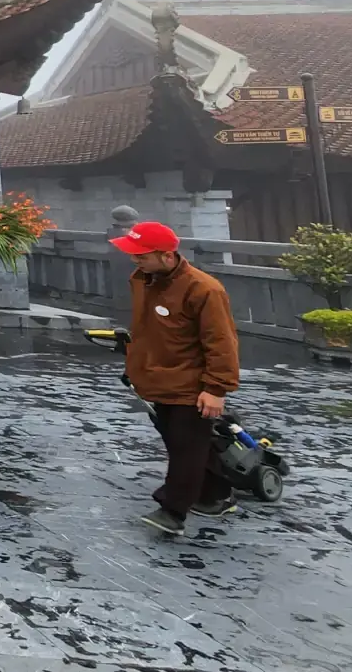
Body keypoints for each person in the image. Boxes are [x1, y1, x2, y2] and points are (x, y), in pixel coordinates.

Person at [109, 220, 240, 536]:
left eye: (141, 255)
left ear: (166, 255)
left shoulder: (204, 289)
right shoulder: (143, 279)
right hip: (158, 377)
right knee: (186, 442)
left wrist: (216, 389)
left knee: (185, 449)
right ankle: (215, 495)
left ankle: (172, 510)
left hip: (191, 384)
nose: (135, 260)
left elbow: (221, 342)